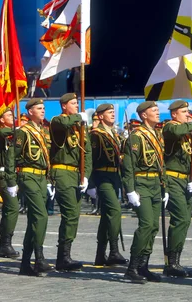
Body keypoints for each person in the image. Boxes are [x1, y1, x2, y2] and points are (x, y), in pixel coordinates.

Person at [122, 100, 164, 284]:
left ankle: (143, 265)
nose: (157, 112)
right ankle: (132, 267)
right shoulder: (136, 136)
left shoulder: (157, 135)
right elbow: (128, 166)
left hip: (156, 183)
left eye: (157, 109)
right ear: (144, 115)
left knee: (154, 226)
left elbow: (162, 164)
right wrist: (130, 190)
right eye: (153, 110)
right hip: (142, 183)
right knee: (146, 224)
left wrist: (165, 187)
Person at [49, 93, 92, 271]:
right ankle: (63, 256)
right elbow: (64, 124)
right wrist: (78, 118)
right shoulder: (57, 121)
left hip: (76, 174)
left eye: (77, 103)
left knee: (74, 215)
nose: (76, 106)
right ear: (64, 106)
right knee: (70, 214)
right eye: (73, 103)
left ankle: (66, 254)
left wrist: (86, 176)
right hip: (62, 171)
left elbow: (87, 152)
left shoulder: (80, 127)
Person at [162, 100, 192, 277]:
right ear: (174, 114)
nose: (188, 114)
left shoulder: (190, 134)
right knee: (180, 217)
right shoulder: (169, 127)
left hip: (187, 180)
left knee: (185, 220)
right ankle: (171, 262)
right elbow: (176, 131)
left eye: (188, 111)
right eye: (184, 111)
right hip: (172, 179)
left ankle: (176, 259)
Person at [15, 98, 53, 276]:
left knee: (33, 221)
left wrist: (50, 179)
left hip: (41, 177)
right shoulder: (23, 131)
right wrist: (10, 181)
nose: (43, 110)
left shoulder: (44, 131)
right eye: (39, 108)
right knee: (41, 215)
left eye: (43, 108)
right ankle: (39, 258)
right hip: (28, 175)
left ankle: (25, 263)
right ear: (30, 111)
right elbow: (11, 156)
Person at [89, 103, 128, 267]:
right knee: (114, 210)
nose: (112, 114)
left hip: (114, 176)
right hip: (102, 176)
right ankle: (113, 250)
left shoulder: (115, 135)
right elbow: (90, 159)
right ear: (100, 116)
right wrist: (90, 183)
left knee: (107, 216)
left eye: (113, 112)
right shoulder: (96, 135)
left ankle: (100, 255)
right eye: (108, 112)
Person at [0, 108, 20, 259]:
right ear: (2, 119)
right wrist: (19, 130)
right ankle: (5, 244)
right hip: (4, 175)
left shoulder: (13, 133)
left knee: (9, 210)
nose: (13, 117)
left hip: (15, 174)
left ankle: (4, 245)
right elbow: (3, 134)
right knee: (13, 208)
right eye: (9, 115)